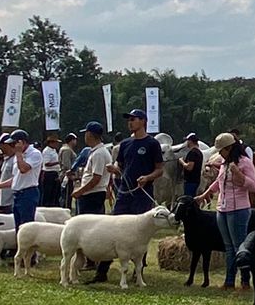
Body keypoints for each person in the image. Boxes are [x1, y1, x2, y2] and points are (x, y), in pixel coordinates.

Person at [88, 110, 162, 285]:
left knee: (141, 233)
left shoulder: (152, 144)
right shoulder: (125, 144)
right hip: (124, 193)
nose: (130, 122)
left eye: (133, 119)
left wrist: (148, 177)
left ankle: (139, 271)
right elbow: (120, 166)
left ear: (143, 121)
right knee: (111, 228)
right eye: (129, 120)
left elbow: (160, 169)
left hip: (142, 194)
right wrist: (114, 170)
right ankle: (102, 271)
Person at [197, 132, 255, 290]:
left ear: (230, 148)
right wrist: (205, 194)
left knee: (239, 246)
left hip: (238, 209)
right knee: (228, 247)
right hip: (222, 209)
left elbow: (253, 185)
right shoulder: (224, 163)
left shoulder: (244, 163)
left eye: (222, 150)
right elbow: (219, 181)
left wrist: (238, 174)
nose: (220, 153)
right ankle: (229, 281)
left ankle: (245, 280)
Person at [0, 130, 42, 231]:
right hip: (17, 194)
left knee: (26, 227)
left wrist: (18, 153)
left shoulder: (34, 154)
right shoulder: (17, 157)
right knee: (18, 226)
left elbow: (23, 169)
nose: (12, 146)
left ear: (22, 142)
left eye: (13, 144)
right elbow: (15, 178)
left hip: (28, 193)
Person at [72, 123, 111, 215]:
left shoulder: (99, 154)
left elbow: (96, 178)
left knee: (88, 225)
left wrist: (80, 191)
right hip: (92, 193)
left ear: (89, 134)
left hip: (93, 195)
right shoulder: (97, 152)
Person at [179, 133, 204, 200]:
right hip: (196, 180)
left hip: (190, 181)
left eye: (187, 141)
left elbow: (189, 167)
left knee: (188, 200)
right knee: (192, 199)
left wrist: (181, 161)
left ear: (190, 141)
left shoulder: (192, 153)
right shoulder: (199, 152)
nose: (186, 143)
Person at [40, 136, 63, 207]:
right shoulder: (47, 151)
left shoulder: (54, 150)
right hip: (49, 173)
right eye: (56, 143)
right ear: (51, 143)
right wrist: (58, 162)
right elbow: (47, 163)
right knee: (48, 192)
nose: (57, 144)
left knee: (54, 192)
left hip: (55, 173)